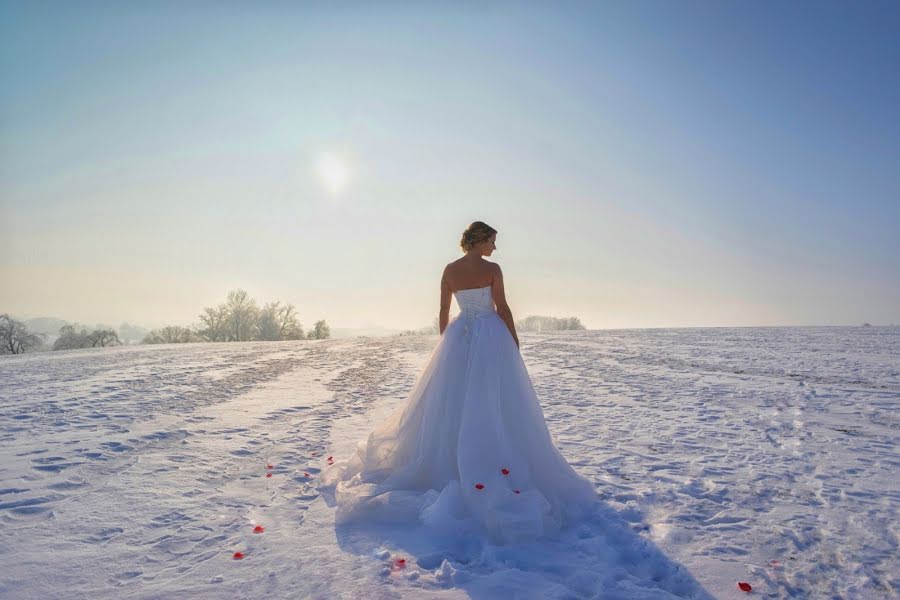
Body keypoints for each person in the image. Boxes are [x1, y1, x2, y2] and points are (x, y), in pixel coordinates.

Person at [320, 221, 596, 544]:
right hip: (491, 338)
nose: (495, 247)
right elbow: (503, 308)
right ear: (480, 242)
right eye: (493, 241)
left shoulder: (450, 270)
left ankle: (453, 456)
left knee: (452, 402)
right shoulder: (493, 269)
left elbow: (442, 310)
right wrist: (514, 341)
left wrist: (445, 344)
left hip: (459, 336)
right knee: (491, 399)